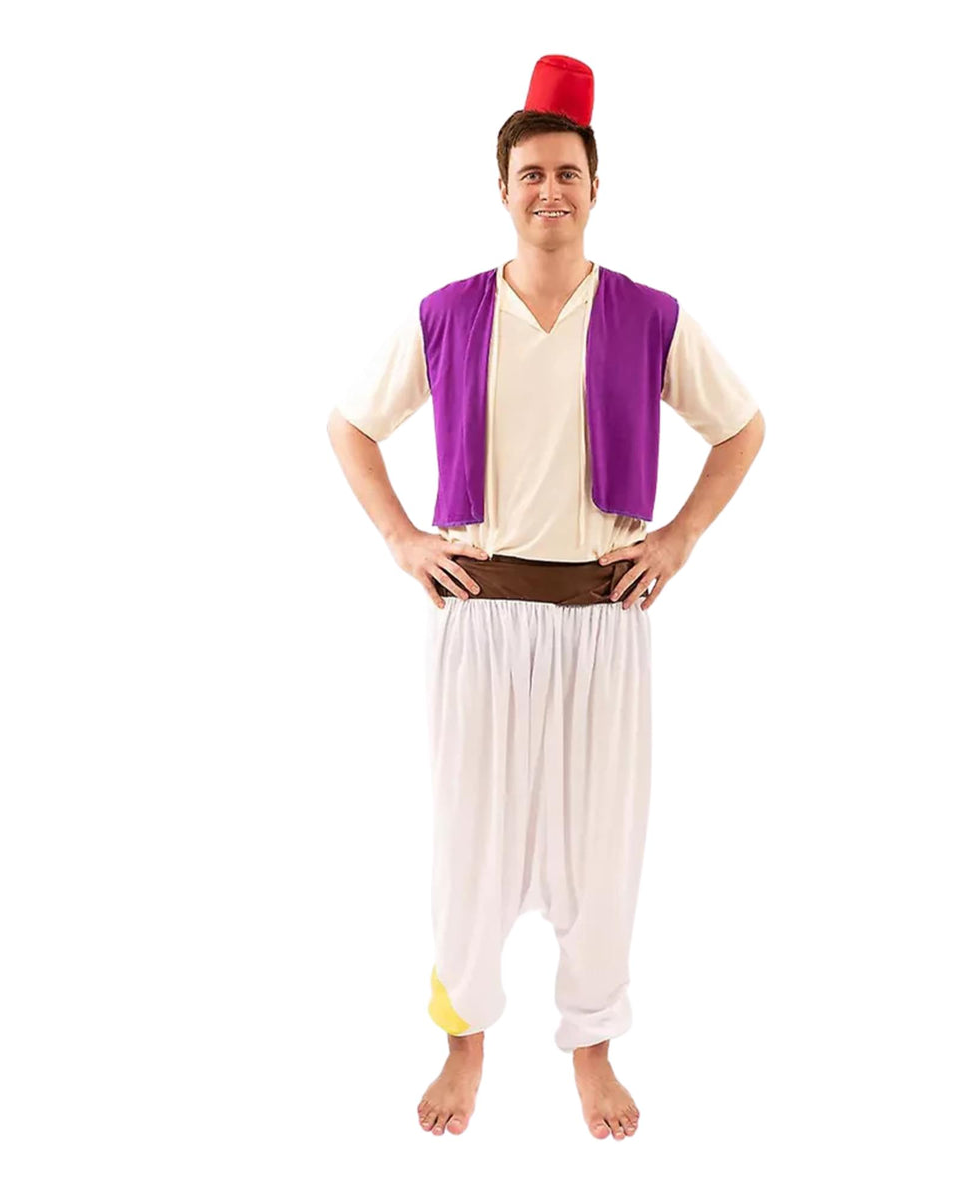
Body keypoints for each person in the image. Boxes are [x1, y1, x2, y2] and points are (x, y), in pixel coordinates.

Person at [326, 54, 765, 1140]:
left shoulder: (650, 316)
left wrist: (681, 537)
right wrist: (401, 539)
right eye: (532, 174)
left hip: (606, 618)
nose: (550, 190)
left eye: (568, 172)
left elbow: (742, 428)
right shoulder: (448, 313)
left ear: (596, 188)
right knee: (469, 838)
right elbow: (351, 425)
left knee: (601, 845)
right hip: (480, 615)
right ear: (504, 190)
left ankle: (593, 1045)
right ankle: (463, 1039)